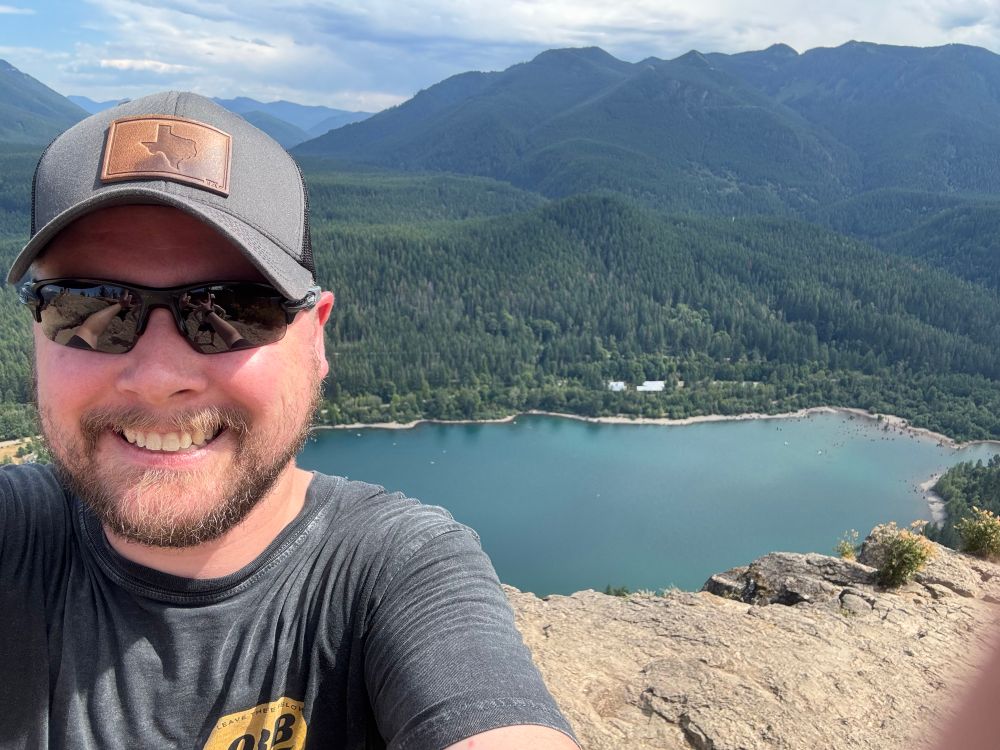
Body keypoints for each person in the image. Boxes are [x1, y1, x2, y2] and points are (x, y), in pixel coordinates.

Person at [2, 92, 579, 750]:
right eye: (89, 308)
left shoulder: (391, 573)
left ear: (316, 339)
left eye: (231, 310)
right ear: (37, 334)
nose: (160, 376)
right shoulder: (16, 535)